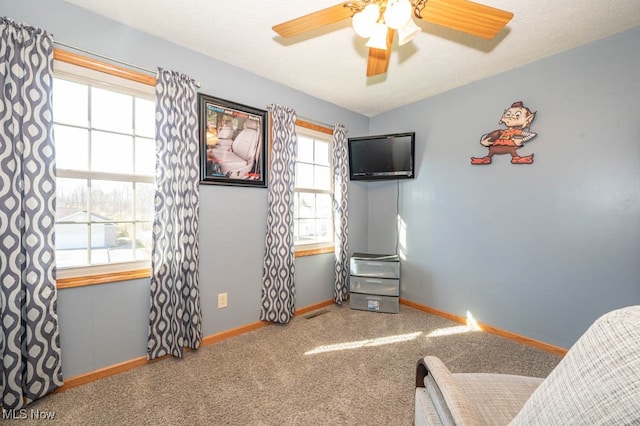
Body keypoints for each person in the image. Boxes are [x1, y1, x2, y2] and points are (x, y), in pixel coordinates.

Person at [471, 101, 537, 165]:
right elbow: (488, 137)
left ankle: (515, 158)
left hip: (508, 147)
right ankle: (487, 158)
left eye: (517, 115)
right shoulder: (500, 131)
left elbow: (531, 135)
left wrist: (521, 140)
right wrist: (485, 140)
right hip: (495, 147)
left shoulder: (515, 131)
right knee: (492, 149)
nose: (510, 117)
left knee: (511, 149)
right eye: (508, 114)